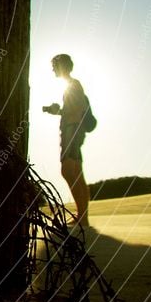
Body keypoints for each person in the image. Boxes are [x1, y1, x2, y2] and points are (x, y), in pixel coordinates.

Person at [43, 53, 90, 227]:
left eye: (54, 65)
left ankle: (82, 216)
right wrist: (58, 111)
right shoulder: (72, 85)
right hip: (74, 131)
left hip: (72, 131)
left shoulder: (73, 85)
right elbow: (74, 108)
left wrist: (69, 126)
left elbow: (78, 108)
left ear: (61, 66)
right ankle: (83, 216)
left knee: (68, 171)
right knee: (76, 172)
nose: (52, 69)